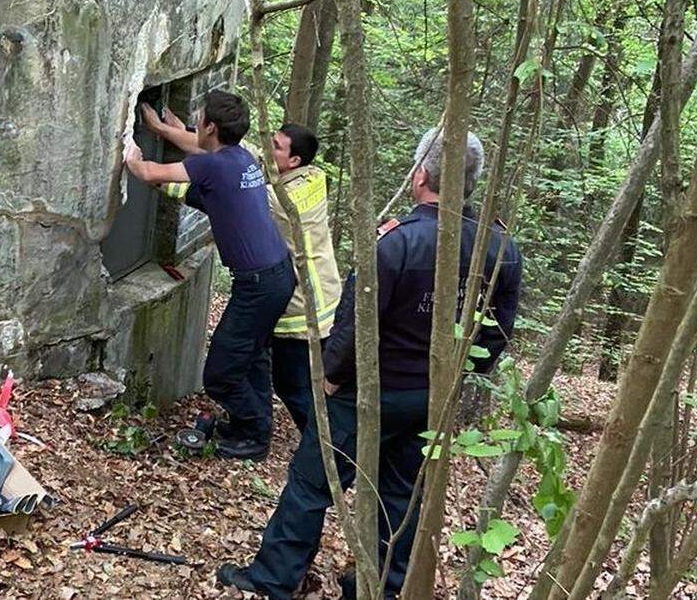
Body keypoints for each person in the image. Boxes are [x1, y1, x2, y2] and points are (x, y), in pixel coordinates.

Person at [215, 128, 523, 599]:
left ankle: (274, 578)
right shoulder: (498, 248)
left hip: (369, 393)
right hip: (431, 398)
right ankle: (375, 586)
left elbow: (357, 323)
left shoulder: (396, 244)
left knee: (311, 483)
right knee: (400, 495)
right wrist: (465, 376)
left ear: (420, 176)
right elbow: (496, 331)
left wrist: (333, 376)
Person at [141, 103, 342, 432]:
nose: (267, 148)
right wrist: (171, 131)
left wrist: (161, 181)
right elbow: (234, 155)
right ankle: (268, 432)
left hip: (304, 312)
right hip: (293, 296)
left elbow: (225, 186)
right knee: (260, 366)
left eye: (276, 145)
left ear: (294, 161)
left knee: (292, 386)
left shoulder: (282, 200)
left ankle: (325, 450)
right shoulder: (308, 174)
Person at [124, 90, 295, 460]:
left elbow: (149, 171)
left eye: (198, 119)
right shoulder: (239, 157)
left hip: (260, 284)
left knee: (219, 373)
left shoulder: (213, 166)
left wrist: (130, 151)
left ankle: (251, 432)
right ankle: (254, 429)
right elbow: (195, 146)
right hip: (278, 275)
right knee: (253, 358)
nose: (193, 125)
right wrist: (162, 128)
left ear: (212, 127)